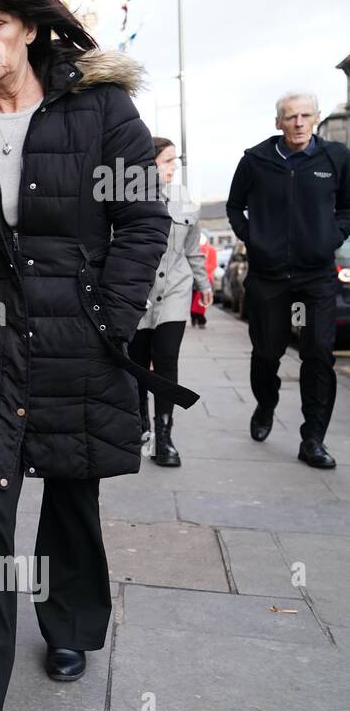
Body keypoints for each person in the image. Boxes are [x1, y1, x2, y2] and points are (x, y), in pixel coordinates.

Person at [0, 0, 174, 711]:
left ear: (29, 23)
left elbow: (143, 222)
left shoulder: (100, 110)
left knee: (69, 495)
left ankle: (67, 626)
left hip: (78, 336)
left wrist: (112, 319)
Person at [226, 92, 350, 469]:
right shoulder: (256, 161)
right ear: (278, 122)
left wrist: (332, 237)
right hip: (269, 279)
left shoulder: (336, 158)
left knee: (317, 356)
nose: (298, 122)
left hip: (315, 280)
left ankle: (313, 439)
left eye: (305, 115)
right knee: (267, 354)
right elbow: (235, 206)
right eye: (290, 116)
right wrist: (255, 239)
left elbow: (346, 207)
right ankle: (266, 404)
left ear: (315, 119)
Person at [129, 137, 212, 467]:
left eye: (175, 161)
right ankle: (140, 425)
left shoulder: (184, 201)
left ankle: (164, 435)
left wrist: (203, 284)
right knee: (136, 363)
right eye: (166, 161)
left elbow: (192, 248)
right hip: (137, 295)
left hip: (175, 291)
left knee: (165, 361)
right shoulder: (127, 196)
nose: (173, 167)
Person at [191, 237, 218, 327]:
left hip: (205, 277)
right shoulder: (195, 248)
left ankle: (200, 318)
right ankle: (194, 317)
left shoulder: (211, 250)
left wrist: (202, 271)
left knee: (200, 299)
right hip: (193, 277)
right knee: (193, 298)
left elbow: (213, 265)